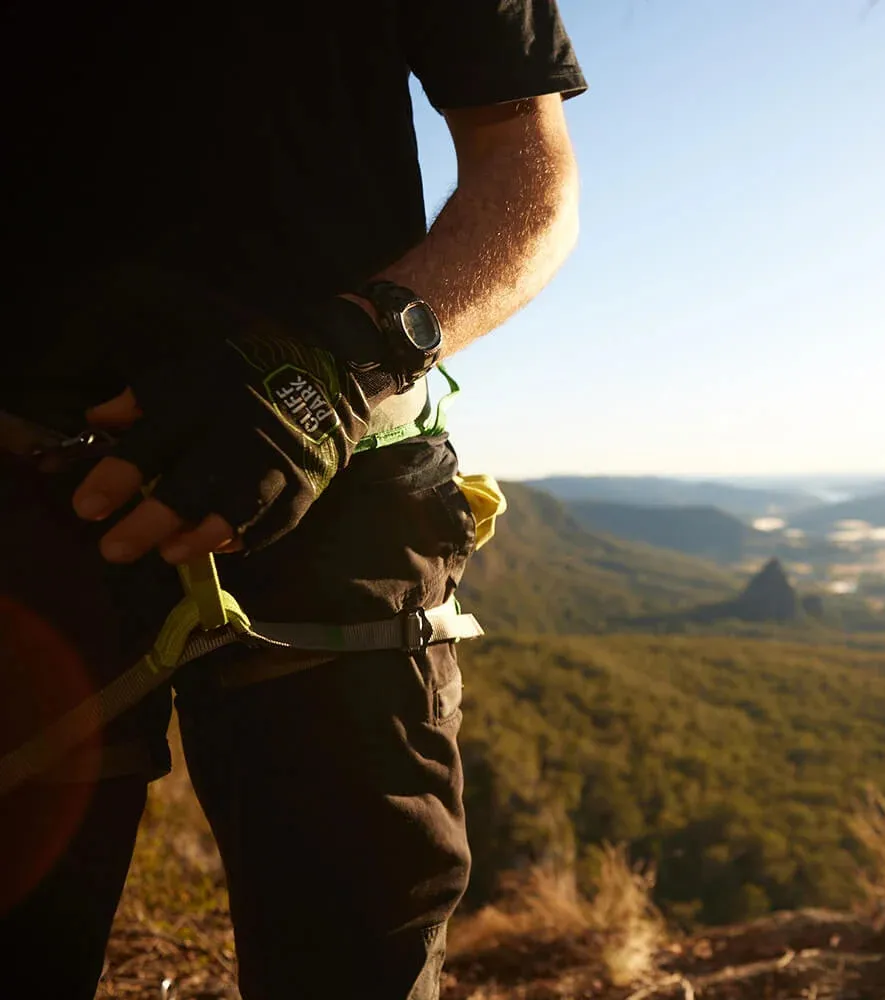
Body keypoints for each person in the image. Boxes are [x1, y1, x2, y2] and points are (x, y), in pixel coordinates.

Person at [0, 2, 586, 997]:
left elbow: (527, 170)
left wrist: (341, 361)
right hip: (28, 496)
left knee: (358, 953)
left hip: (334, 476)